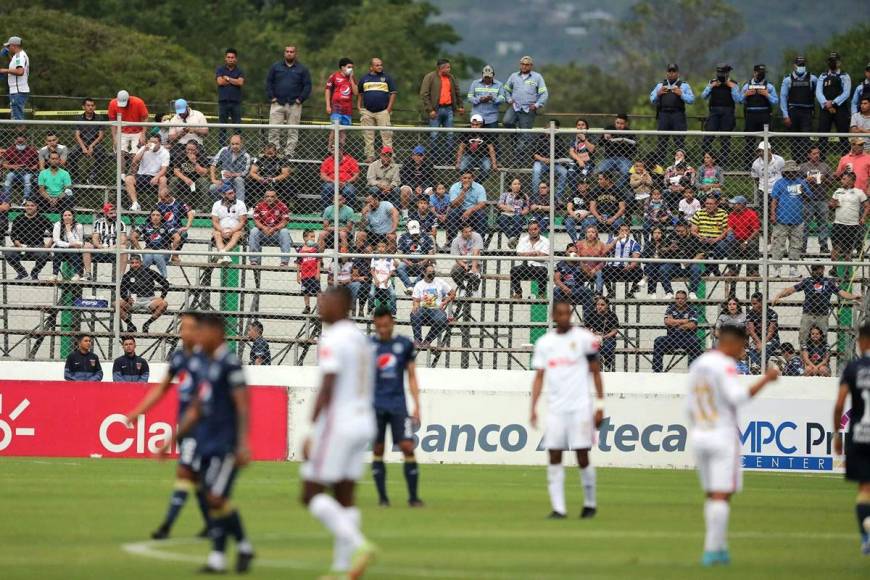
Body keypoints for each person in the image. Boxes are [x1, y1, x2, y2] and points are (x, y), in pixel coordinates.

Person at [158, 312, 256, 574]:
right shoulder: (208, 364)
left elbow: (242, 404)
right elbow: (198, 406)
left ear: (217, 334)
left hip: (226, 444)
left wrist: (243, 443)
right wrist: (173, 439)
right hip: (207, 441)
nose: (199, 337)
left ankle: (219, 557)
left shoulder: (230, 363)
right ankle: (241, 548)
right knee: (215, 499)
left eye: (203, 333)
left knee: (214, 497)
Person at [687, 324, 780, 566]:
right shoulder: (725, 365)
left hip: (700, 434)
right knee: (722, 494)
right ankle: (711, 551)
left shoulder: (699, 364)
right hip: (722, 435)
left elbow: (688, 404)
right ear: (732, 342)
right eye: (742, 345)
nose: (743, 351)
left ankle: (719, 547)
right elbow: (738, 397)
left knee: (711, 494)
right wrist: (767, 380)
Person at [301, 286, 377, 579]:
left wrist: (310, 428)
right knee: (345, 495)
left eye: (326, 301)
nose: (320, 306)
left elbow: (329, 382)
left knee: (311, 492)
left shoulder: (332, 337)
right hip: (363, 420)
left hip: (340, 422)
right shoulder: (360, 337)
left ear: (342, 305)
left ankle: (360, 545)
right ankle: (342, 569)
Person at [125, 312, 211, 540]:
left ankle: (166, 526)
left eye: (190, 327)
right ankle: (213, 524)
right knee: (197, 477)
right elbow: (162, 388)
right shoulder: (180, 356)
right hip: (185, 426)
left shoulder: (207, 359)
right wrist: (138, 412)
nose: (185, 332)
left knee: (185, 472)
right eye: (182, 327)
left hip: (200, 427)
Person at [529, 300, 604, 519]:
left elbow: (596, 372)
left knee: (582, 455)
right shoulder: (545, 343)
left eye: (567, 313)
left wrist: (600, 405)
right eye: (559, 313)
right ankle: (558, 508)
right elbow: (539, 376)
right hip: (555, 409)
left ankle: (590, 503)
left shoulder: (584, 339)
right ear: (553, 316)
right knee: (554, 454)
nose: (563, 317)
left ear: (570, 314)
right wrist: (532, 407)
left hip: (580, 407)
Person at [371, 306, 424, 506]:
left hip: (398, 405)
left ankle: (413, 497)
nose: (383, 329)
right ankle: (383, 498)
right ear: (375, 324)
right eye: (379, 326)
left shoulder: (404, 345)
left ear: (392, 323)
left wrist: (417, 405)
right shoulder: (368, 347)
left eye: (386, 325)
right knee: (378, 448)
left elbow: (411, 376)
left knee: (407, 446)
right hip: (375, 405)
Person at [832, 321, 870, 557]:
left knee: (865, 488)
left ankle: (866, 538)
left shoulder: (853, 368)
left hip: (859, 434)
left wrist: (837, 434)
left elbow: (839, 404)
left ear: (863, 341)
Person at [771, 263, 862, 346]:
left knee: (822, 339)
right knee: (803, 338)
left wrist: (854, 297)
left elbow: (841, 293)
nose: (816, 271)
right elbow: (791, 290)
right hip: (808, 314)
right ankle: (804, 359)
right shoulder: (807, 281)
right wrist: (778, 295)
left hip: (822, 315)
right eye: (814, 269)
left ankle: (822, 357)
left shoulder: (829, 282)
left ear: (823, 269)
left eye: (818, 269)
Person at [266, 45, 311, 158]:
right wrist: (272, 97)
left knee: (293, 131)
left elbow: (307, 86)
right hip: (277, 103)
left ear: (295, 54)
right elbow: (268, 82)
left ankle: (288, 154)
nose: (289, 53)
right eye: (287, 51)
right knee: (274, 130)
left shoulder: (302, 69)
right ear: (284, 53)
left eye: (292, 51)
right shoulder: (276, 67)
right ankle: (274, 153)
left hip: (294, 104)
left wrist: (300, 99)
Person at [770, 160, 810, 278]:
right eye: (789, 171)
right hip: (781, 219)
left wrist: (803, 192)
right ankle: (777, 268)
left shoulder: (801, 182)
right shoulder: (779, 183)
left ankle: (793, 268)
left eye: (794, 171)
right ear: (785, 172)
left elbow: (809, 199)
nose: (792, 173)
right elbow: (774, 200)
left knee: (796, 245)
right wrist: (773, 214)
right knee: (778, 244)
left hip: (797, 219)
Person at [502, 56, 548, 157]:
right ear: (520, 65)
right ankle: (516, 138)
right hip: (515, 107)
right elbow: (505, 90)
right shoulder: (514, 76)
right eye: (522, 64)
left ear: (531, 66)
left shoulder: (537, 77)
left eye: (527, 64)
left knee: (525, 135)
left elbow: (544, 93)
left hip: (528, 110)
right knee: (506, 122)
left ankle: (518, 157)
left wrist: (537, 105)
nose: (524, 66)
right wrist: (509, 99)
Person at [420, 58, 464, 162]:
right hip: (436, 109)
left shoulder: (451, 78)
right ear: (441, 68)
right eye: (448, 67)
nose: (449, 69)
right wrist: (430, 109)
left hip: (448, 109)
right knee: (434, 135)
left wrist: (460, 106)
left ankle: (447, 158)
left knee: (450, 135)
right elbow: (424, 94)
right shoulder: (430, 77)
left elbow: (457, 92)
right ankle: (433, 158)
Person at [650, 64, 695, 164]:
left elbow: (692, 100)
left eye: (673, 71)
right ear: (666, 73)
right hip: (663, 115)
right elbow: (652, 99)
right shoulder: (660, 85)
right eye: (669, 71)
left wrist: (681, 94)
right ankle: (660, 168)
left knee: (679, 142)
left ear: (677, 73)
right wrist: (658, 94)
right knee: (661, 142)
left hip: (678, 115)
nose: (671, 74)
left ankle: (680, 167)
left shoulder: (684, 85)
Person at [652, 290, 703, 373]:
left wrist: (675, 322)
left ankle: (693, 371)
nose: (680, 300)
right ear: (675, 299)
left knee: (696, 341)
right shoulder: (670, 308)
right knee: (658, 341)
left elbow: (692, 325)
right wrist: (684, 321)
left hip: (687, 338)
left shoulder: (692, 309)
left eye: (682, 299)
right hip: (672, 338)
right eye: (677, 298)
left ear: (686, 300)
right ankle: (657, 370)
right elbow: (667, 321)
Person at [117, 254, 169, 334]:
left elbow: (165, 283)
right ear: (130, 264)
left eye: (136, 263)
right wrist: (127, 299)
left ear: (141, 263)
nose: (134, 265)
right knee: (115, 304)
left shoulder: (149, 272)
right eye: (132, 263)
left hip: (149, 299)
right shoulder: (127, 275)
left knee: (164, 303)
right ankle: (130, 325)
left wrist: (161, 297)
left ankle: (147, 324)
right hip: (134, 300)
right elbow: (122, 291)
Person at [358, 57, 397, 162]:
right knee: (368, 134)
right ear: (371, 67)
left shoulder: (387, 78)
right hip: (368, 111)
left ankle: (388, 157)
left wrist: (389, 109)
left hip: (383, 111)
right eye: (377, 65)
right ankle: (370, 156)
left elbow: (393, 93)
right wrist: (359, 106)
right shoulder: (364, 79)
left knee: (386, 134)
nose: (380, 67)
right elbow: (360, 94)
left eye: (381, 65)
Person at [702, 64, 740, 165]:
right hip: (714, 112)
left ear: (727, 73)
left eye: (723, 73)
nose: (720, 75)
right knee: (708, 138)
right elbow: (703, 96)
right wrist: (711, 86)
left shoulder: (733, 84)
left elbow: (738, 99)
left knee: (725, 139)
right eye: (719, 73)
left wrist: (732, 88)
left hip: (727, 113)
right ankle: (707, 161)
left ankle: (724, 163)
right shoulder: (712, 82)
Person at [780, 56, 818, 158]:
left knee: (806, 139)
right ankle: (796, 162)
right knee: (794, 139)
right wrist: (785, 115)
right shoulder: (787, 79)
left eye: (803, 65)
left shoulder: (813, 79)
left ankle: (805, 163)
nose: (801, 67)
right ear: (794, 66)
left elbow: (817, 94)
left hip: (807, 111)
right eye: (799, 65)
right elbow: (783, 98)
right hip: (793, 111)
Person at [816, 51, 852, 156]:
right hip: (825, 109)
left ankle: (846, 163)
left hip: (840, 109)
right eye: (830, 61)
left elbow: (846, 93)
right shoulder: (822, 76)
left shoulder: (844, 76)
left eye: (834, 61)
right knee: (822, 136)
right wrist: (825, 103)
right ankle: (822, 163)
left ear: (839, 62)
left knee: (843, 136)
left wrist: (834, 102)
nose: (832, 63)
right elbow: (818, 92)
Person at [830, 172, 869, 266]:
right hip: (838, 224)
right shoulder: (837, 191)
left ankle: (847, 271)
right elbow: (831, 205)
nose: (841, 181)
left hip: (852, 225)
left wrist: (863, 218)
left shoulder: (859, 192)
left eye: (844, 179)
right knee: (835, 249)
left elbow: (867, 206)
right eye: (842, 178)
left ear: (851, 181)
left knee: (848, 250)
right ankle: (834, 268)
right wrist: (832, 205)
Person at [5, 199, 50, 280]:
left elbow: (55, 232)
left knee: (44, 255)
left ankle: (34, 274)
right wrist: (19, 245)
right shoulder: (19, 218)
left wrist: (48, 245)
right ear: (25, 207)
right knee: (8, 252)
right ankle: (22, 273)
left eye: (32, 205)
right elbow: (13, 235)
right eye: (27, 205)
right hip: (21, 245)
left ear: (36, 207)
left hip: (37, 246)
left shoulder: (42, 218)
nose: (29, 207)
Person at [410, 264, 455, 347]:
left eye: (433, 272)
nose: (432, 274)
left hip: (436, 309)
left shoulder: (440, 282)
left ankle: (427, 340)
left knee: (442, 319)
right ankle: (417, 340)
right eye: (430, 272)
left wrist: (445, 301)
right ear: (423, 272)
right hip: (423, 308)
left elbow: (452, 293)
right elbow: (416, 300)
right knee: (414, 313)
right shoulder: (419, 284)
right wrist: (415, 305)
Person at [799, 146, 833, 253]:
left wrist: (824, 179)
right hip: (806, 200)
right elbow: (796, 183)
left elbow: (831, 183)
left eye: (818, 153)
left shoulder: (825, 166)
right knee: (805, 224)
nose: (817, 155)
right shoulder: (802, 167)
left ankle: (823, 246)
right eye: (814, 153)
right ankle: (802, 246)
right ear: (809, 155)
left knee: (823, 223)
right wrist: (806, 180)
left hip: (822, 199)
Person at [741, 64, 779, 159]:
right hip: (750, 116)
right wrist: (745, 94)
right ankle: (748, 165)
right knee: (749, 141)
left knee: (766, 141)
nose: (761, 75)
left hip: (765, 115)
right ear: (754, 73)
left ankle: (766, 162)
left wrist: (767, 95)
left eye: (763, 73)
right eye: (759, 73)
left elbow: (775, 101)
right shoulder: (747, 85)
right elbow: (739, 100)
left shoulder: (769, 86)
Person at [107, 90, 150, 173]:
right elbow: (112, 122)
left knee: (136, 155)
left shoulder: (138, 102)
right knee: (119, 154)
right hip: (122, 131)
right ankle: (122, 176)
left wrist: (143, 134)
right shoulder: (113, 103)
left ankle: (131, 176)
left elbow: (145, 118)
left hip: (137, 131)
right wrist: (114, 138)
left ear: (128, 99)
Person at [68, 98, 108, 184]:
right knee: (71, 154)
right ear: (83, 107)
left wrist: (91, 146)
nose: (90, 107)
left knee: (103, 154)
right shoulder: (78, 118)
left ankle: (92, 176)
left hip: (95, 143)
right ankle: (76, 178)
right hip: (82, 143)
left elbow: (101, 135)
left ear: (95, 107)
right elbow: (77, 135)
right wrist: (83, 147)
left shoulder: (100, 118)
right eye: (88, 105)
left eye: (92, 105)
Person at [125, 135, 169, 211]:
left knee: (163, 179)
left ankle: (160, 204)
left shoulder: (164, 152)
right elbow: (134, 161)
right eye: (151, 142)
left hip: (155, 177)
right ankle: (135, 204)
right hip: (141, 175)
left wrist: (156, 177)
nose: (152, 144)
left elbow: (164, 169)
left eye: (155, 142)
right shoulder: (144, 148)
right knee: (128, 178)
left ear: (160, 143)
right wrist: (144, 150)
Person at [248, 189, 291, 267]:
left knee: (284, 232)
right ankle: (254, 260)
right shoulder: (259, 206)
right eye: (267, 196)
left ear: (276, 197)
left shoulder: (282, 206)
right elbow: (256, 221)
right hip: (262, 233)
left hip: (276, 234)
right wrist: (264, 228)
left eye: (272, 196)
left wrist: (274, 229)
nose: (269, 198)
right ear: (264, 198)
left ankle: (284, 261)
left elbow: (285, 221)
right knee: (254, 231)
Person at [510, 220, 549, 299]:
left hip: (539, 266)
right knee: (514, 270)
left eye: (535, 229)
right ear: (528, 230)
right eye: (531, 229)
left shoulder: (546, 241)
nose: (533, 231)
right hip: (526, 265)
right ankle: (518, 293)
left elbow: (545, 256)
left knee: (543, 270)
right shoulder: (523, 240)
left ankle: (541, 294)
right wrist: (535, 253)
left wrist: (527, 254)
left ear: (539, 229)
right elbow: (519, 253)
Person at [154, 188, 195, 263]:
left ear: (169, 196)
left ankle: (175, 255)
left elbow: (191, 213)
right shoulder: (159, 205)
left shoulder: (179, 203)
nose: (161, 201)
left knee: (184, 234)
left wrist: (187, 227)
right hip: (163, 229)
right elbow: (153, 217)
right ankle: (165, 250)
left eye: (163, 199)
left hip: (176, 229)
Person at [210, 183, 247, 264]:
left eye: (233, 192)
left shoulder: (240, 204)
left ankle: (221, 254)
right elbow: (215, 222)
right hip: (221, 231)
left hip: (236, 231)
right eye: (230, 193)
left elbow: (242, 222)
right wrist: (222, 230)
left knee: (237, 234)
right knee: (216, 233)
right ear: (223, 195)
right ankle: (225, 256)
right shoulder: (216, 204)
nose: (233, 195)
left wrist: (231, 231)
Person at [215, 48, 245, 147]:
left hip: (236, 103)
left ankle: (238, 147)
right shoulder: (220, 69)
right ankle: (222, 149)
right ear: (225, 58)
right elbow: (220, 82)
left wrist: (227, 78)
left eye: (232, 57)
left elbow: (240, 82)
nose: (230, 59)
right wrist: (234, 81)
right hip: (223, 102)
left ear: (236, 59)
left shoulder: (240, 71)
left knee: (237, 127)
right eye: (228, 57)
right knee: (222, 127)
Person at [209, 134, 252, 203]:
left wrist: (232, 174)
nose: (234, 146)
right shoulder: (224, 150)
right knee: (212, 187)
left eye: (237, 144)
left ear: (242, 144)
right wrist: (213, 179)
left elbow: (245, 173)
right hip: (225, 182)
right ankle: (222, 206)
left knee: (239, 179)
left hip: (238, 184)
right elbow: (213, 164)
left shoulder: (246, 156)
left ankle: (240, 207)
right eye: (232, 144)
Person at [88, 202, 129, 275]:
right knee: (87, 246)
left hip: (115, 250)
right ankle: (87, 274)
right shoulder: (98, 223)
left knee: (123, 247)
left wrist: (113, 247)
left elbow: (122, 240)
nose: (114, 215)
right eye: (111, 213)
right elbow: (95, 239)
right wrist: (101, 247)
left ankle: (120, 276)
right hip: (100, 250)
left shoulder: (121, 223)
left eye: (115, 213)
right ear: (105, 214)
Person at [446, 171, 487, 242]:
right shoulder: (455, 187)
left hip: (473, 211)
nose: (467, 180)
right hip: (459, 210)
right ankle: (451, 241)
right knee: (452, 213)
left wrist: (470, 210)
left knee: (482, 214)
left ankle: (479, 241)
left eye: (469, 178)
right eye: (464, 178)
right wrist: (464, 191)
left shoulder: (479, 187)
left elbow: (482, 204)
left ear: (473, 178)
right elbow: (454, 204)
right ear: (461, 178)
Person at [456, 114, 497, 183]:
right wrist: (458, 162)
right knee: (462, 167)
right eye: (473, 124)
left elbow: (491, 149)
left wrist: (494, 163)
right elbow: (461, 147)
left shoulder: (486, 132)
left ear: (481, 124)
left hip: (483, 156)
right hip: (469, 155)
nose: (474, 127)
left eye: (477, 125)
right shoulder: (466, 132)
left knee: (487, 169)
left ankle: (475, 184)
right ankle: (468, 182)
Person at [725, 196, 760, 277]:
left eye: (735, 204)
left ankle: (753, 271)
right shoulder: (732, 214)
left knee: (752, 244)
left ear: (742, 205)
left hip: (749, 239)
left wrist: (746, 242)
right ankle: (732, 269)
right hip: (737, 239)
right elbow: (730, 228)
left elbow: (756, 231)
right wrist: (729, 234)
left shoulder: (751, 214)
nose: (733, 205)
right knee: (729, 243)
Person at [553, 243, 593, 314]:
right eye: (570, 252)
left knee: (588, 291)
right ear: (566, 252)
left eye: (575, 252)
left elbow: (590, 275)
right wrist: (565, 288)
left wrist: (580, 260)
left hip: (578, 290)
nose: (573, 254)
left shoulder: (581, 264)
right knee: (556, 290)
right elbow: (556, 280)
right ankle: (559, 318)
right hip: (564, 290)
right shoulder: (561, 264)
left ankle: (588, 321)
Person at [397, 220, 434, 294]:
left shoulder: (426, 237)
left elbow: (431, 253)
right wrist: (407, 262)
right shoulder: (403, 237)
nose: (415, 234)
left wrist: (424, 261)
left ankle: (412, 287)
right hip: (407, 261)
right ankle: (410, 286)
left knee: (429, 268)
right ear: (407, 229)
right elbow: (399, 254)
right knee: (400, 267)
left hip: (422, 261)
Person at [598, 114, 636, 185]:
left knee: (627, 171)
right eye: (617, 123)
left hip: (624, 158)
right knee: (600, 170)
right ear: (615, 122)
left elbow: (634, 151)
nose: (619, 125)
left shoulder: (630, 132)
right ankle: (607, 187)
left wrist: (625, 144)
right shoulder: (609, 128)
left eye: (622, 123)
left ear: (626, 124)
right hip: (609, 158)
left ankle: (616, 189)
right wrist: (604, 137)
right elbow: (600, 144)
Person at [745, 291, 780, 370]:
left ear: (761, 303)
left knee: (766, 347)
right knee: (752, 347)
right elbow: (751, 331)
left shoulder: (772, 313)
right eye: (752, 304)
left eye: (755, 303)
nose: (752, 306)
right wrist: (758, 342)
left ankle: (758, 366)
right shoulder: (750, 314)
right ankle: (757, 366)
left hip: (771, 339)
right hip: (757, 339)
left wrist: (762, 343)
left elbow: (771, 332)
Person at [639, 226, 676, 299]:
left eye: (659, 233)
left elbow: (669, 257)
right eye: (655, 233)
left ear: (662, 234)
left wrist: (660, 255)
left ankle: (651, 291)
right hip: (653, 266)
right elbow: (643, 258)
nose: (657, 235)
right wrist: (651, 258)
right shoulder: (648, 244)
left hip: (663, 265)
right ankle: (667, 292)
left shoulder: (666, 244)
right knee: (652, 266)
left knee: (652, 267)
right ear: (652, 234)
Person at [51, 209, 88, 281]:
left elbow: (78, 242)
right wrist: (69, 245)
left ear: (73, 216)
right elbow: (56, 240)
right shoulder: (58, 225)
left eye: (69, 215)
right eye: (65, 215)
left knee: (72, 250)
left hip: (74, 250)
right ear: (62, 217)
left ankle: (78, 274)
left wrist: (68, 231)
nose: (67, 217)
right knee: (57, 248)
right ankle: (55, 274)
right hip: (61, 248)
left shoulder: (78, 226)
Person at [134, 209, 173, 278]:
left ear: (161, 217)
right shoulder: (145, 225)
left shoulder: (167, 226)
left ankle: (164, 278)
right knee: (148, 257)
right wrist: (140, 250)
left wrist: (173, 251)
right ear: (150, 216)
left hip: (163, 251)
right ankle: (143, 278)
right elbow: (133, 237)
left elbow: (177, 238)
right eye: (153, 215)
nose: (155, 217)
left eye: (158, 215)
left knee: (157, 255)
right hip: (149, 250)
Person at [585, 295, 619, 371]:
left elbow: (614, 331)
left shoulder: (612, 315)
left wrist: (604, 336)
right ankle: (598, 368)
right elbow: (586, 329)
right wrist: (593, 335)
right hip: (595, 336)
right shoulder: (592, 314)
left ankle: (607, 365)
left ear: (607, 305)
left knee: (608, 347)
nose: (599, 307)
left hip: (607, 337)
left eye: (602, 305)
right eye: (597, 304)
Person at [399, 146, 435, 216]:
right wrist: (415, 187)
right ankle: (405, 215)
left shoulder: (428, 163)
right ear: (412, 156)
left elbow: (431, 179)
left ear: (424, 156)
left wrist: (422, 187)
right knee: (405, 191)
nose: (418, 157)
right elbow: (403, 178)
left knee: (431, 192)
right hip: (410, 185)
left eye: (421, 155)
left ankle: (428, 216)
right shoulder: (407, 162)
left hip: (424, 186)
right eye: (416, 155)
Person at [2, 132, 38, 201]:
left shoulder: (31, 150)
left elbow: (38, 163)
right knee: (8, 177)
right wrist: (14, 166)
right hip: (15, 172)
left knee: (27, 179)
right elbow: (4, 164)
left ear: (26, 140)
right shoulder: (10, 150)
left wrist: (31, 168)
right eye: (18, 142)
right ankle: (6, 199)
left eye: (22, 142)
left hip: (27, 172)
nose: (20, 143)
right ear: (15, 141)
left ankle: (26, 199)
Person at [450, 222, 483, 294]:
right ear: (461, 232)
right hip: (463, 262)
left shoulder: (477, 236)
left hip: (475, 261)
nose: (469, 233)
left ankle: (475, 290)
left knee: (474, 275)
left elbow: (476, 252)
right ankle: (463, 288)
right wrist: (464, 265)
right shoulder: (455, 241)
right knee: (454, 272)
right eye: (466, 232)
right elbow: (457, 258)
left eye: (470, 231)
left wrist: (473, 267)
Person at [1, 36, 29, 120]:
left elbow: (20, 71)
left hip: (18, 91)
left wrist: (3, 70)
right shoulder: (18, 56)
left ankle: (21, 133)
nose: (8, 48)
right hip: (18, 91)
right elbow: (16, 66)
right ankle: (20, 133)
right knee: (16, 118)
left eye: (9, 46)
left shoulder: (19, 56)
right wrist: (8, 56)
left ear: (14, 45)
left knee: (18, 119)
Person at [497, 177, 530, 247]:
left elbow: (526, 209)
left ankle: (512, 240)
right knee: (502, 219)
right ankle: (513, 239)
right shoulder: (505, 194)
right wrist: (510, 209)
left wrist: (516, 211)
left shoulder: (524, 196)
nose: (517, 185)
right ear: (510, 186)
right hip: (506, 214)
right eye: (515, 184)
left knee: (518, 219)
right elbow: (500, 205)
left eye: (519, 184)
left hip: (518, 215)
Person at [325, 57, 357, 128]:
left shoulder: (352, 78)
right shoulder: (334, 76)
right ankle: (330, 140)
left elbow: (355, 93)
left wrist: (351, 79)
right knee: (334, 130)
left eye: (352, 67)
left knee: (343, 131)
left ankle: (342, 140)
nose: (351, 69)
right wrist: (328, 105)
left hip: (347, 110)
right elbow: (328, 90)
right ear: (342, 67)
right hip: (336, 109)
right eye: (349, 67)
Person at [575, 224, 607, 295]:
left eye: (593, 232)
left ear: (596, 234)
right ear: (585, 234)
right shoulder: (579, 244)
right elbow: (577, 258)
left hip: (596, 269)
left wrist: (595, 269)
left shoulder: (601, 244)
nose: (590, 234)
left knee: (600, 272)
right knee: (577, 271)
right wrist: (584, 267)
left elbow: (603, 261)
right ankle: (579, 292)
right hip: (582, 268)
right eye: (588, 232)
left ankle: (598, 293)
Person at [297, 230, 321, 315]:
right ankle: (307, 307)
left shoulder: (315, 249)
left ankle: (319, 307)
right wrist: (298, 275)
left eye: (313, 237)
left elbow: (318, 261)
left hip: (314, 274)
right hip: (304, 275)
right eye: (310, 236)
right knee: (306, 292)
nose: (312, 238)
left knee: (318, 291)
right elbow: (299, 263)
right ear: (305, 238)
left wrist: (318, 273)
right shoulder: (301, 250)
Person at [563, 177, 593, 244]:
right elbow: (569, 208)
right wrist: (575, 216)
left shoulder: (592, 195)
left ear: (587, 185)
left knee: (587, 223)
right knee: (568, 222)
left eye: (582, 184)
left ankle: (581, 241)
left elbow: (593, 209)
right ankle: (576, 241)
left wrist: (585, 214)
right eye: (579, 184)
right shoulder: (573, 195)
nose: (580, 186)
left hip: (587, 216)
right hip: (574, 216)